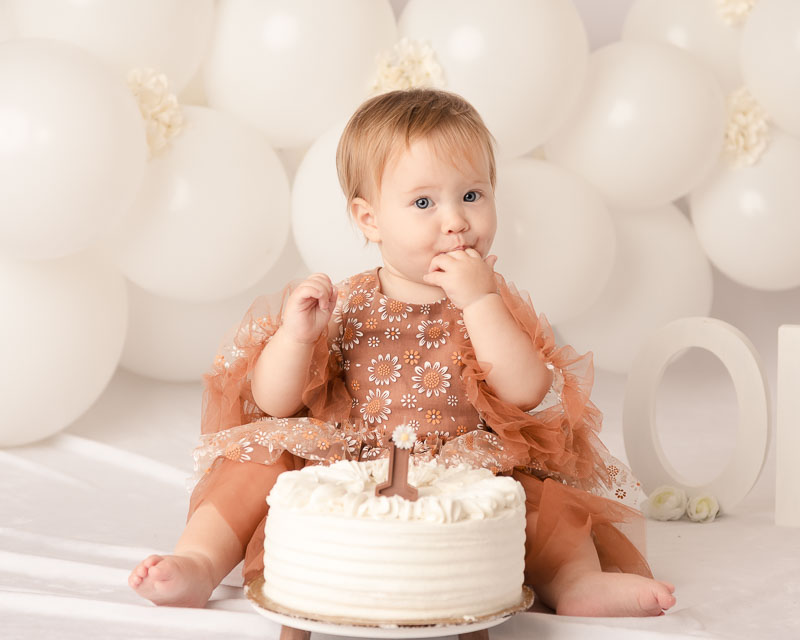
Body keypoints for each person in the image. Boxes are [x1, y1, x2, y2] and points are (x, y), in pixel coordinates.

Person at [129, 88, 676, 617]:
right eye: (423, 202)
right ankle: (199, 562)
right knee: (256, 459)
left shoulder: (490, 301)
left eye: (472, 195)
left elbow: (527, 390)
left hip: (465, 469)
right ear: (370, 219)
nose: (456, 220)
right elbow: (274, 404)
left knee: (542, 502)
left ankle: (576, 582)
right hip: (346, 466)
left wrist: (480, 301)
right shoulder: (346, 302)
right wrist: (295, 338)